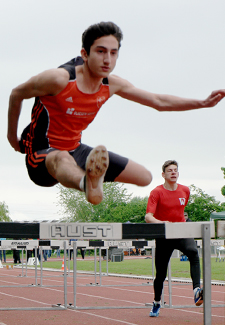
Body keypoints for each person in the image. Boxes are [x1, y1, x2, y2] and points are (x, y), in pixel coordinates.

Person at [7, 22, 225, 205]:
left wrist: (203, 103)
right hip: (42, 154)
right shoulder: (59, 79)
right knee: (62, 158)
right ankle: (87, 184)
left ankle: (93, 177)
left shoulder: (111, 84)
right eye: (101, 51)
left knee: (144, 177)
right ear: (85, 53)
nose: (107, 60)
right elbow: (17, 94)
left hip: (75, 148)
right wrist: (12, 138)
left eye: (113, 53)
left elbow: (158, 101)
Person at [145, 160, 203, 317]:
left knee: (193, 252)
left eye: (176, 170)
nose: (173, 172)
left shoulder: (185, 190)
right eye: (170, 170)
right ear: (163, 174)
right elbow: (148, 217)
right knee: (161, 275)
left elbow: (180, 211)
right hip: (164, 235)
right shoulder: (156, 192)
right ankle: (157, 302)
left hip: (181, 232)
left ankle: (197, 289)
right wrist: (164, 223)